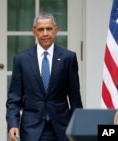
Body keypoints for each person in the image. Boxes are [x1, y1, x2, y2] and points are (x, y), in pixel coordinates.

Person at [6, 11, 83, 141]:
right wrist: (12, 124)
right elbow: (14, 97)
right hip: (31, 128)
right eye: (41, 29)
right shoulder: (21, 59)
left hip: (61, 128)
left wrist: (80, 126)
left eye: (49, 29)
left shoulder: (68, 58)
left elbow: (75, 97)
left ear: (56, 30)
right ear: (34, 31)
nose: (45, 33)